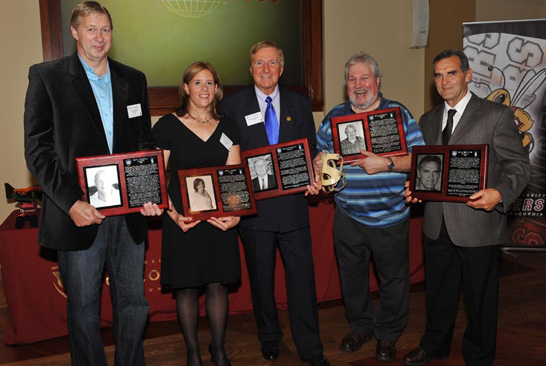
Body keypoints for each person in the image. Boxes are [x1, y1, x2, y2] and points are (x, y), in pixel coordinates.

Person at [23, 2, 163, 365]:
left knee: (134, 303)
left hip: (129, 215)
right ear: (74, 33)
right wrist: (71, 203)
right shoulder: (47, 76)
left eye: (105, 30)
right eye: (91, 29)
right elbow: (38, 151)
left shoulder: (133, 79)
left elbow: (144, 143)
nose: (99, 38)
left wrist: (148, 193)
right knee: (83, 308)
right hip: (79, 214)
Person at [402, 49, 531, 366]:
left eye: (451, 73)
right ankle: (435, 344)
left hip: (477, 222)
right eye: (438, 75)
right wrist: (419, 189)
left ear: (468, 75)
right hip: (436, 222)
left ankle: (478, 356)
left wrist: (499, 194)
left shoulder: (495, 115)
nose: (444, 81)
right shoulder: (428, 120)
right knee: (439, 294)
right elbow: (430, 166)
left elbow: (519, 167)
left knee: (480, 299)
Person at [222, 40, 329, 366]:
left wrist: (314, 175)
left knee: (302, 281)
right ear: (250, 68)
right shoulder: (232, 105)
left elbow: (310, 151)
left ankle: (311, 348)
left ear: (281, 69)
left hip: (295, 208)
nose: (266, 70)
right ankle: (269, 337)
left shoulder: (299, 103)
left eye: (272, 63)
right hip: (255, 213)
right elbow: (227, 157)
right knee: (261, 281)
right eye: (259, 63)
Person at [314, 52, 425, 362]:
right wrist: (319, 165)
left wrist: (386, 162)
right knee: (352, 278)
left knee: (393, 280)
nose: (358, 85)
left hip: (390, 215)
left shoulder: (398, 114)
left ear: (378, 81)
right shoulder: (334, 116)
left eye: (364, 78)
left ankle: (388, 335)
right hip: (347, 215)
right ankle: (360, 327)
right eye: (352, 79)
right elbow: (318, 157)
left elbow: (422, 158)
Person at [152, 61, 241, 366]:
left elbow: (234, 176)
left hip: (219, 222)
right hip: (183, 221)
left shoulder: (229, 126)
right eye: (198, 82)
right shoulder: (165, 126)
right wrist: (173, 214)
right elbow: (159, 179)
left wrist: (236, 215)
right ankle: (192, 351)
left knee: (218, 284)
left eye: (210, 83)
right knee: (187, 287)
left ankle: (218, 349)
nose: (204, 89)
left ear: (217, 89)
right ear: (186, 87)